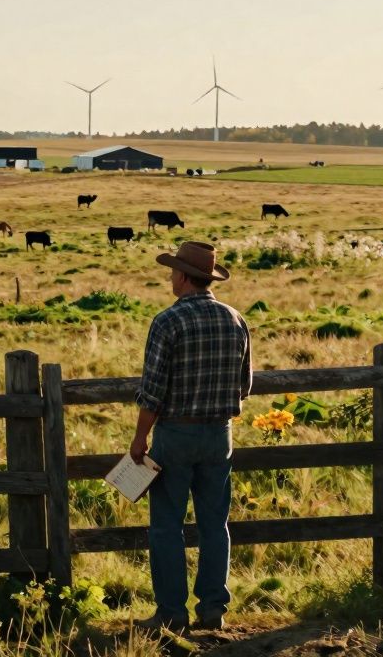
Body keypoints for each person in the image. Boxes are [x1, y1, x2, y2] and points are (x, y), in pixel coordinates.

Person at [132, 241, 252, 632]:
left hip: (176, 433)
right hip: (220, 434)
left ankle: (172, 611)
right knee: (215, 523)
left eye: (173, 271)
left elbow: (153, 391)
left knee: (166, 524)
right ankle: (213, 607)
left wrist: (139, 439)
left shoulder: (168, 322)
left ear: (183, 276)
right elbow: (244, 385)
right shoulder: (235, 319)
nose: (171, 277)